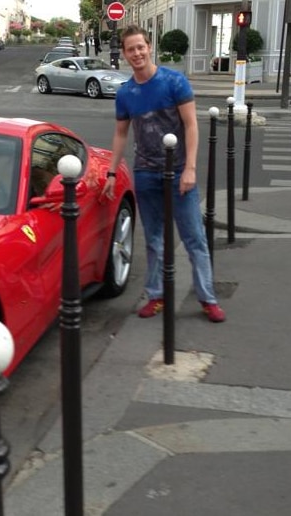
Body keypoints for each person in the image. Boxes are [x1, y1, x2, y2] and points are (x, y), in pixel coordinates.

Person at [103, 24, 225, 323]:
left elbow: (191, 126)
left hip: (178, 172)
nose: (136, 53)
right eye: (130, 49)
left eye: (140, 47)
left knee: (193, 237)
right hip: (145, 173)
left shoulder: (174, 81)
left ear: (149, 47)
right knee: (154, 240)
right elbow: (121, 134)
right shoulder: (126, 93)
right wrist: (111, 172)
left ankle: (207, 298)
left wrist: (190, 169)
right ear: (125, 53)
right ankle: (155, 295)